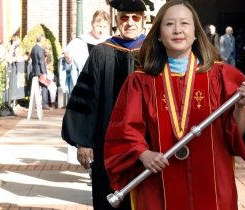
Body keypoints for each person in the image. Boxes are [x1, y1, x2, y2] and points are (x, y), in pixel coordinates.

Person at [104, 1, 245, 210]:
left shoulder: (222, 77)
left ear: (195, 33)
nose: (177, 30)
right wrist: (143, 154)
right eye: (169, 24)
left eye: (185, 23)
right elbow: (125, 129)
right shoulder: (141, 82)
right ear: (157, 34)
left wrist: (240, 108)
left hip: (212, 185)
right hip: (159, 184)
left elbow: (235, 136)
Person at [61, 0, 153, 209]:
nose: (130, 22)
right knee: (108, 198)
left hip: (148, 143)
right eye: (124, 17)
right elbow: (86, 97)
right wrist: (83, 141)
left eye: (135, 17)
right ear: (116, 20)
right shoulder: (101, 52)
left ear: (144, 20)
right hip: (107, 143)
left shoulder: (154, 52)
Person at [59, 10, 111, 95]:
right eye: (99, 26)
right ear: (92, 23)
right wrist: (69, 62)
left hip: (106, 88)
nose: (101, 30)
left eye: (104, 27)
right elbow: (67, 69)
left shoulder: (111, 43)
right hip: (85, 87)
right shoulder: (78, 43)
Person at [29, 34, 52, 110]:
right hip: (40, 71)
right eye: (43, 40)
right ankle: (44, 103)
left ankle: (35, 103)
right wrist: (44, 72)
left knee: (36, 88)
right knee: (45, 86)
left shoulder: (33, 48)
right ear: (41, 40)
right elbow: (41, 62)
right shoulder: (40, 49)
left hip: (34, 70)